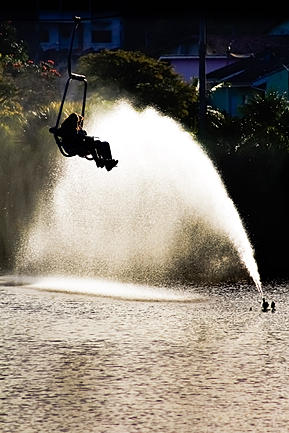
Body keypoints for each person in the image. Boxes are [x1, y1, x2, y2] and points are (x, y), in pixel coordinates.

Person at [53, 113, 118, 171]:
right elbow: (58, 132)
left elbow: (80, 136)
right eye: (75, 122)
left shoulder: (76, 129)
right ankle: (98, 161)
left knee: (104, 143)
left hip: (81, 147)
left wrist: (83, 134)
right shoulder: (65, 129)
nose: (76, 123)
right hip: (74, 149)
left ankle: (108, 162)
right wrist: (54, 131)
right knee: (90, 142)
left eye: (76, 122)